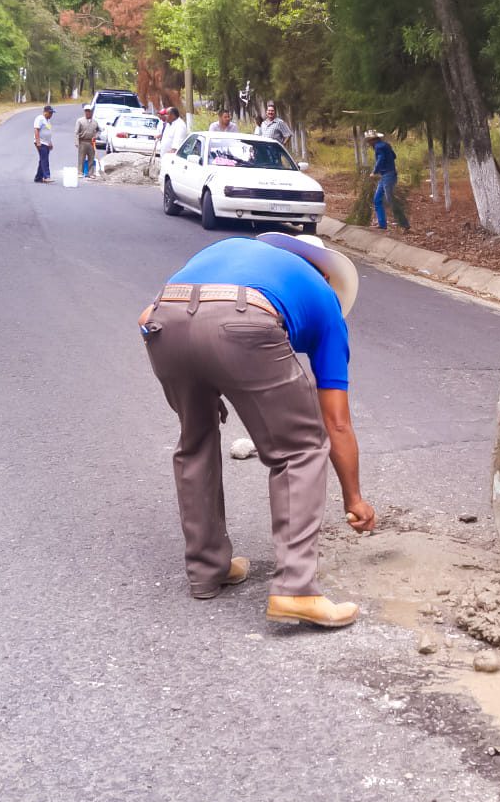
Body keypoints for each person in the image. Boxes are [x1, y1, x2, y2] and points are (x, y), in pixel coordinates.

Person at [138, 232, 377, 628]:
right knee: (299, 449)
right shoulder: (324, 298)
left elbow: (147, 319)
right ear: (327, 275)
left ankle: (207, 569)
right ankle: (296, 590)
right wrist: (354, 499)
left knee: (194, 442)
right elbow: (336, 422)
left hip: (165, 322)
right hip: (246, 320)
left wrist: (196, 380)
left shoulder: (237, 255)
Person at [366, 130, 409, 231]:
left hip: (388, 176)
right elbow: (394, 156)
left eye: (368, 141)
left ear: (373, 140)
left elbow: (381, 159)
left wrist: (374, 171)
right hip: (386, 175)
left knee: (391, 200)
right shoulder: (386, 145)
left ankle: (404, 224)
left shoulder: (378, 147)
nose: (368, 143)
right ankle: (382, 224)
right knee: (377, 199)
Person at [32, 104, 54, 183]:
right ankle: (46, 176)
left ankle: (38, 177)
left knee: (42, 159)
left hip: (46, 142)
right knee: (44, 159)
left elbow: (48, 132)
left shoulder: (47, 120)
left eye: (52, 113)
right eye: (50, 113)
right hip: (40, 142)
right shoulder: (40, 118)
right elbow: (36, 130)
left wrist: (50, 142)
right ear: (45, 112)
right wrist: (38, 142)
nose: (51, 115)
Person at [75, 104, 99, 177]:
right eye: (86, 111)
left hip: (91, 142)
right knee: (81, 158)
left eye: (89, 111)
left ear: (92, 112)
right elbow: (76, 132)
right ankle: (80, 172)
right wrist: (76, 142)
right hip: (82, 141)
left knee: (91, 158)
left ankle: (90, 173)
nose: (87, 112)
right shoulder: (80, 121)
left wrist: (96, 137)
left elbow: (98, 131)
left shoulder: (95, 122)